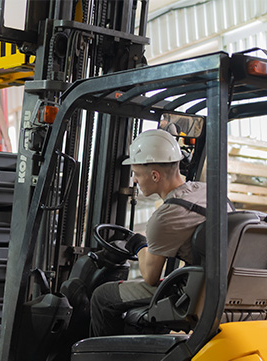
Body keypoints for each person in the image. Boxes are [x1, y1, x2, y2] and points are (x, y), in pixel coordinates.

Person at [89, 129, 218, 337]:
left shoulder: (166, 216)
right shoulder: (208, 192)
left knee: (102, 296)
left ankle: (105, 356)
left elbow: (150, 277)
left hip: (192, 293)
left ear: (155, 176)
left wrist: (139, 245)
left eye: (137, 174)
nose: (135, 180)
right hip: (218, 286)